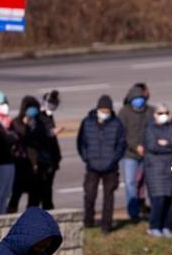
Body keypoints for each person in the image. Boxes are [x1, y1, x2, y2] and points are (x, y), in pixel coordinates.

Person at [76, 94, 126, 234]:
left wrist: (114, 159)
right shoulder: (87, 122)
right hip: (92, 166)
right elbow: (81, 142)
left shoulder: (117, 123)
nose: (105, 113)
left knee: (108, 197)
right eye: (102, 110)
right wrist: (87, 158)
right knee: (90, 194)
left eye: (107, 111)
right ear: (97, 109)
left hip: (110, 167)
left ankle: (106, 225)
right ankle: (88, 221)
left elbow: (121, 144)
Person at [141, 104, 172, 238]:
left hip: (170, 168)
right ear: (154, 115)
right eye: (160, 113)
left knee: (169, 199)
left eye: (166, 112)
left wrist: (166, 143)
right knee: (158, 199)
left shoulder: (171, 127)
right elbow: (152, 146)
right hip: (155, 169)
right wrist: (168, 145)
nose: (163, 115)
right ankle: (154, 226)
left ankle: (165, 226)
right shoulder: (150, 129)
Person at [10, 96, 53, 212]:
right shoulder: (17, 123)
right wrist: (26, 126)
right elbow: (19, 140)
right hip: (21, 165)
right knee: (16, 195)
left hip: (36, 166)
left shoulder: (40, 122)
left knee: (34, 198)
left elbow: (43, 140)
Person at [119, 83, 150, 221]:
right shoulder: (124, 112)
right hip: (129, 155)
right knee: (130, 182)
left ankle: (144, 207)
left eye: (141, 98)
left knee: (144, 183)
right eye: (136, 98)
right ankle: (133, 213)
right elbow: (121, 134)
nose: (139, 101)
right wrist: (134, 146)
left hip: (146, 153)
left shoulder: (149, 111)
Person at [38, 90, 64, 210]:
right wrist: (51, 132)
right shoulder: (38, 116)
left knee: (48, 188)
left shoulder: (49, 116)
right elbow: (39, 134)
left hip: (51, 158)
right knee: (42, 189)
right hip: (43, 159)